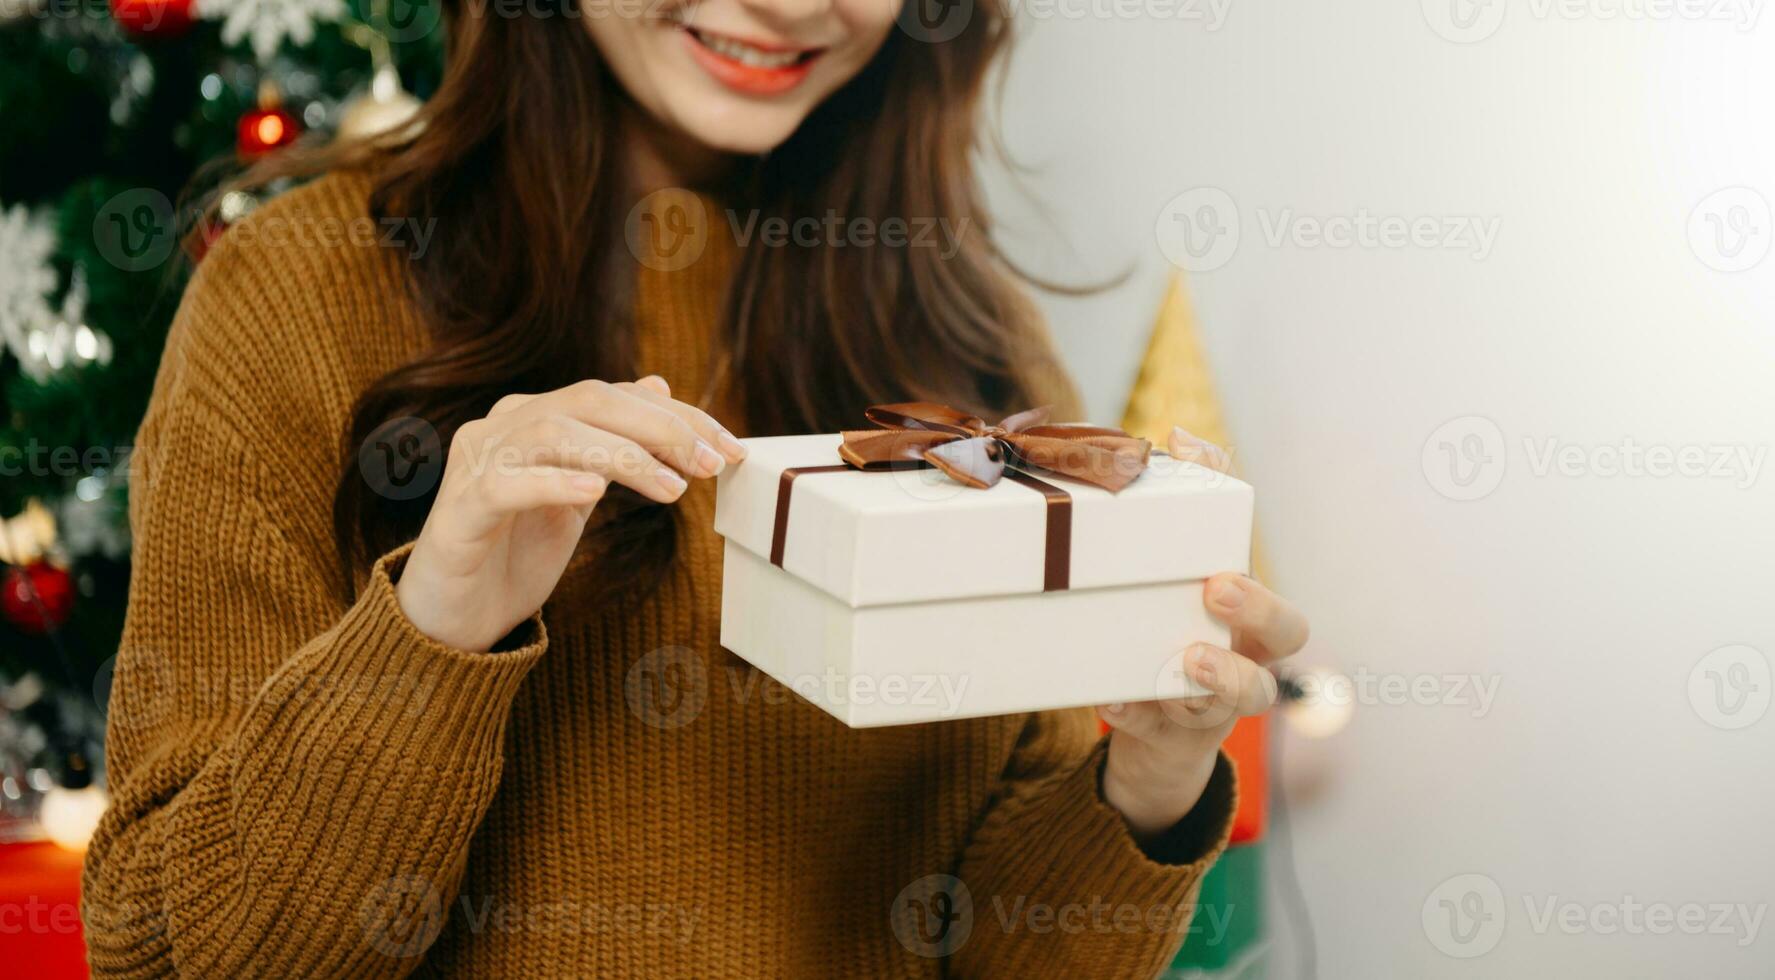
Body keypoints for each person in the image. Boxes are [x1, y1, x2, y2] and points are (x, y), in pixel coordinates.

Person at [81, 0, 1311, 974]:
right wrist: (430, 630)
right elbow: (166, 953)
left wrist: (1146, 784)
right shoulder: (295, 296)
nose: (786, 6)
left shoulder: (966, 346)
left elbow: (990, 952)